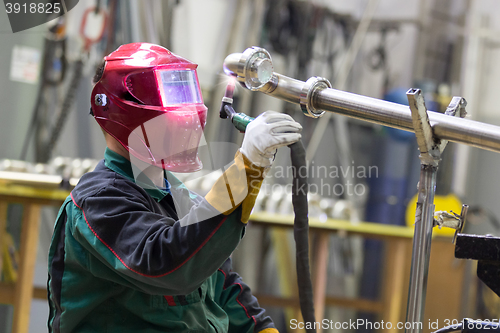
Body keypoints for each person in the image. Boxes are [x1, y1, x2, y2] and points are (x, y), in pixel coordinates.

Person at [47, 43, 302, 332]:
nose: (185, 116)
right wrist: (247, 166)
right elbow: (169, 263)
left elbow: (224, 288)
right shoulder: (99, 201)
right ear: (123, 110)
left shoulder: (182, 198)